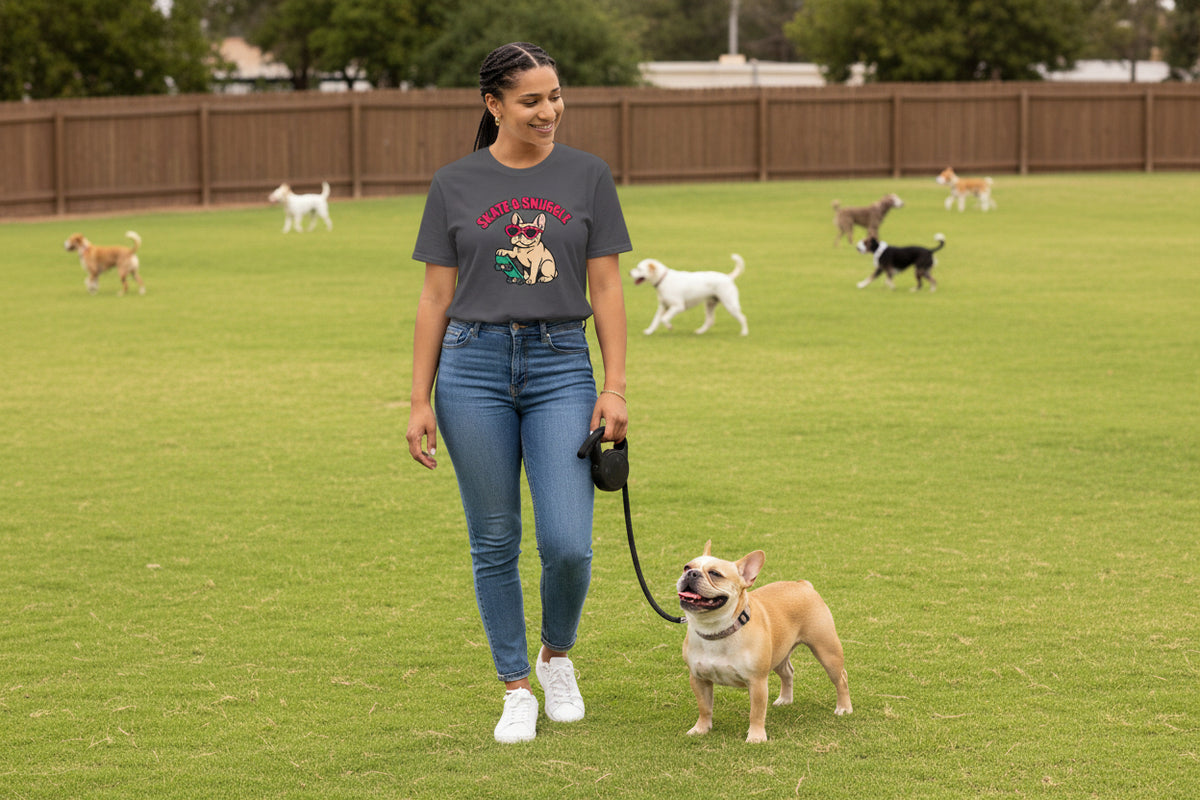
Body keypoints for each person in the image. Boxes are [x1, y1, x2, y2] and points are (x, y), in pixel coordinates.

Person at [406, 42, 631, 744]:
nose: (548, 110)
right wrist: (418, 400)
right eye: (531, 100)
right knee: (495, 538)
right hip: (471, 368)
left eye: (555, 95)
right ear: (494, 104)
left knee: (568, 544)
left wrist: (615, 386)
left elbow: (606, 287)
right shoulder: (454, 183)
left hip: (561, 364)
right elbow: (434, 297)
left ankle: (556, 657)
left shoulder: (588, 175)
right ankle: (515, 687)